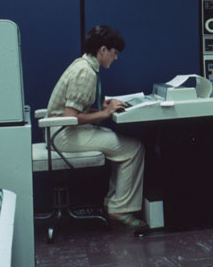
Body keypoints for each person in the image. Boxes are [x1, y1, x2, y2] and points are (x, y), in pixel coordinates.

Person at [46, 25, 147, 228]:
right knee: (133, 149)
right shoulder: (86, 73)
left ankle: (113, 204)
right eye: (114, 52)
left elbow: (75, 108)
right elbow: (70, 117)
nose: (116, 58)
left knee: (121, 145)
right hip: (63, 135)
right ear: (102, 50)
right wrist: (105, 113)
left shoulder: (82, 64)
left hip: (59, 132)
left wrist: (103, 106)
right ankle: (120, 209)